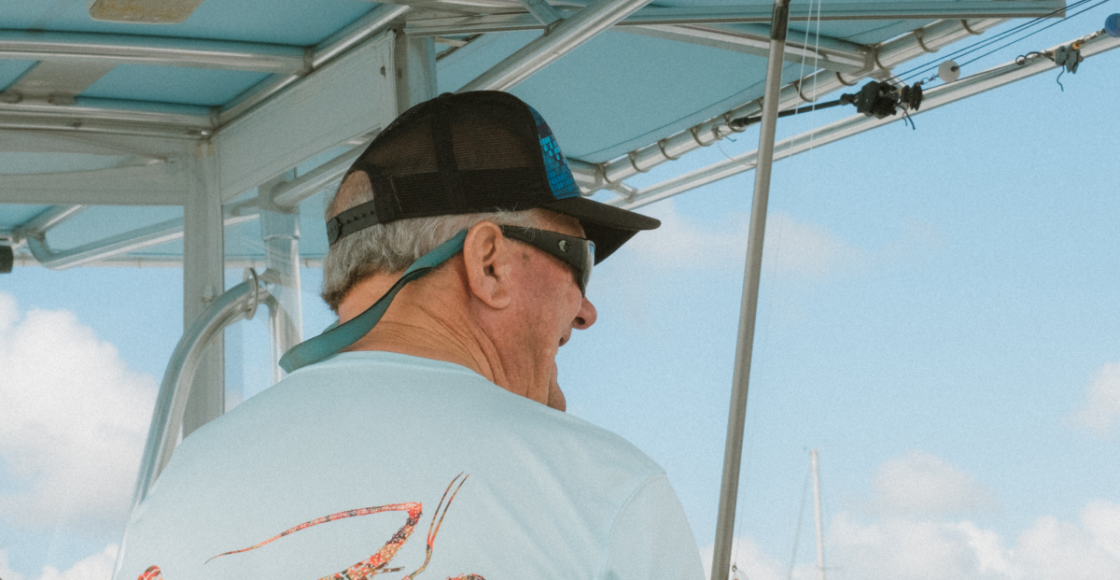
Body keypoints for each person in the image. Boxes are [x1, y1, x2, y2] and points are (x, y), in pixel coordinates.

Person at [113, 92, 705, 580]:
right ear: (489, 263)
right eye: (577, 260)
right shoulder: (605, 490)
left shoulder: (183, 479)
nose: (586, 311)